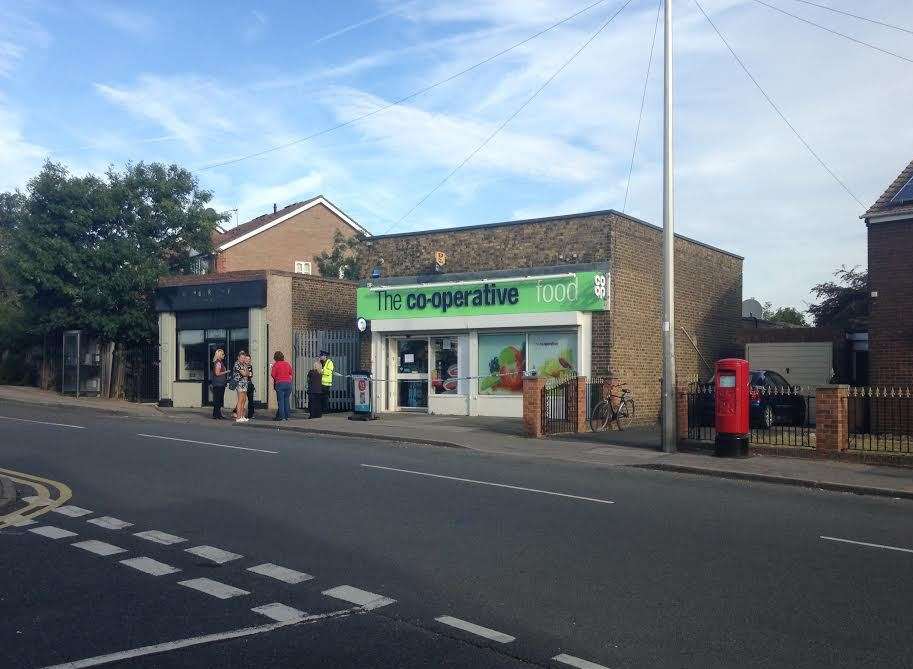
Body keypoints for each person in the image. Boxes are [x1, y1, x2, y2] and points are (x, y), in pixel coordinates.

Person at [271, 351, 293, 421]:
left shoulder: (276, 365)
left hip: (280, 383)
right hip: (288, 384)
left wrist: (277, 378)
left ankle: (282, 417)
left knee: (280, 401)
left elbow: (273, 374)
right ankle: (288, 416)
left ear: (275, 358)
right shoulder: (287, 364)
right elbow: (291, 373)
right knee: (286, 400)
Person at [210, 349, 228, 419]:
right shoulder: (218, 363)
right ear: (219, 355)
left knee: (219, 399)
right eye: (223, 354)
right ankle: (216, 415)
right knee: (218, 399)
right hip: (218, 384)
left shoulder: (220, 362)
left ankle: (218, 414)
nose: (224, 355)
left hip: (220, 383)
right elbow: (217, 373)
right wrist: (226, 372)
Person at [233, 351, 249, 423]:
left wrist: (246, 370)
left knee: (244, 400)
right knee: (240, 400)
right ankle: (238, 417)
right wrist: (246, 372)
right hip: (239, 383)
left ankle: (242, 416)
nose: (243, 359)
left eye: (244, 358)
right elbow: (244, 374)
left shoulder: (244, 364)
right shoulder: (237, 364)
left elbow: (248, 373)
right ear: (238, 357)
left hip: (245, 383)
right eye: (241, 358)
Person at [244, 352, 256, 420]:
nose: (248, 361)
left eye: (249, 360)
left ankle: (250, 414)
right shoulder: (242, 366)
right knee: (242, 399)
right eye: (246, 359)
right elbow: (246, 375)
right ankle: (237, 412)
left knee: (251, 400)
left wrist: (248, 374)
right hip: (244, 384)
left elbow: (250, 375)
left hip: (249, 384)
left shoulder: (250, 366)